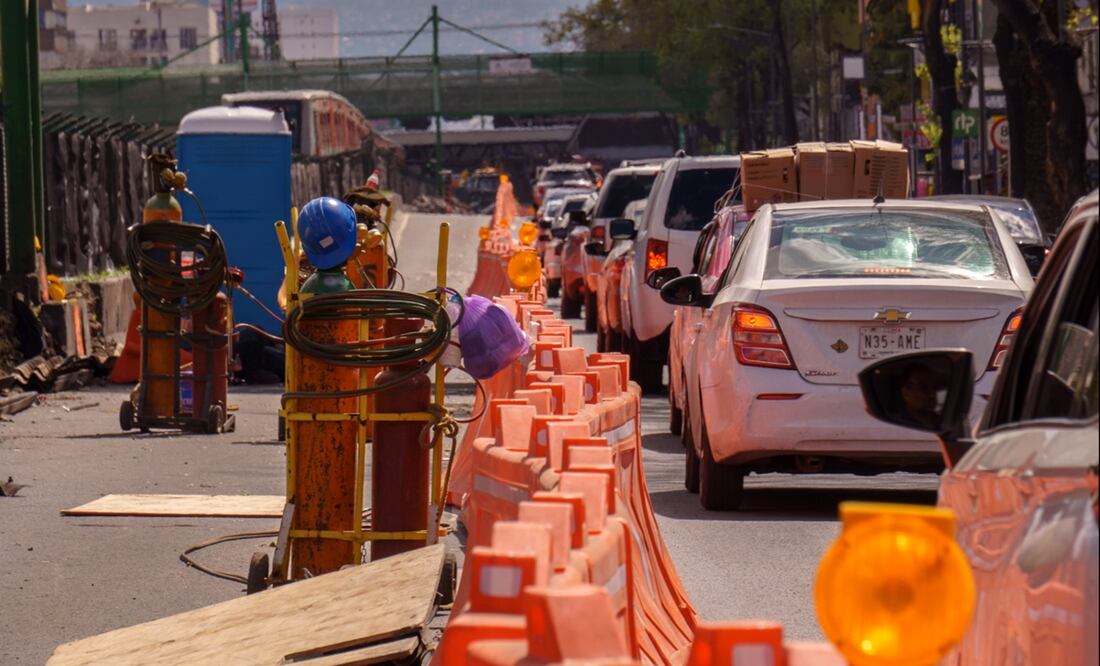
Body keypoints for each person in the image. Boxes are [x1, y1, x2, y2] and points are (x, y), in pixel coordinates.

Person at [898, 362, 943, 430]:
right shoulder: (899, 425)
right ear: (906, 393)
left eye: (935, 387)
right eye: (923, 387)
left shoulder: (944, 421)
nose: (932, 394)